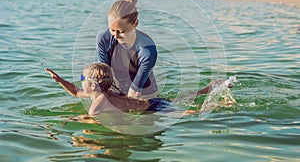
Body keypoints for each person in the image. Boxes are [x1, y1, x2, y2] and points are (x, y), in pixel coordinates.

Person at [44, 63, 228, 116]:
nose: (80, 81)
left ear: (92, 84)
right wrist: (60, 80)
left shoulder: (97, 105)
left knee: (190, 112)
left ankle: (220, 107)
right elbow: (76, 92)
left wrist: (76, 119)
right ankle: (208, 89)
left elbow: (93, 119)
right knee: (177, 99)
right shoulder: (100, 94)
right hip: (152, 102)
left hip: (153, 109)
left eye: (82, 78)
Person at [96, 0, 158, 100]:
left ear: (135, 24)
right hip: (115, 90)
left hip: (144, 95)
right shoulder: (103, 39)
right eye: (112, 30)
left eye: (121, 31)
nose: (115, 35)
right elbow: (103, 76)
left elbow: (134, 93)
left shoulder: (147, 50)